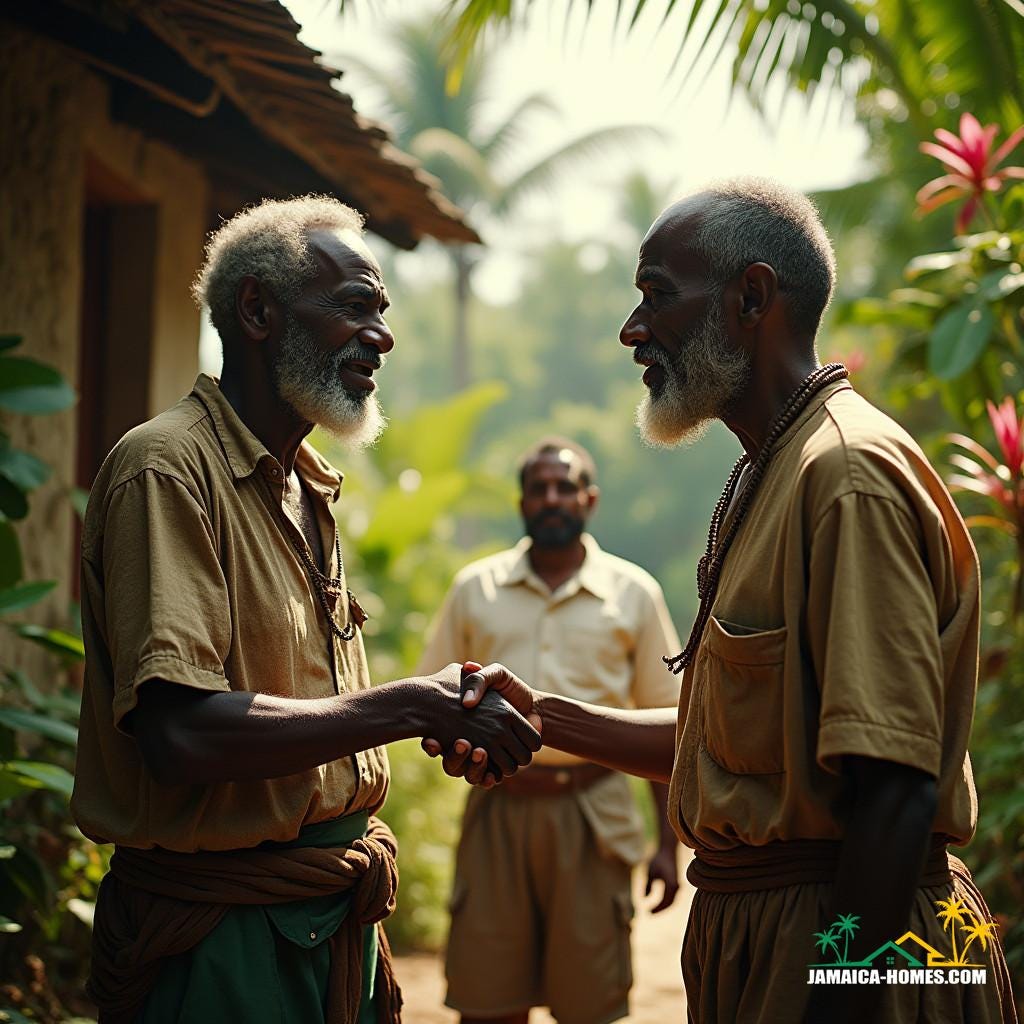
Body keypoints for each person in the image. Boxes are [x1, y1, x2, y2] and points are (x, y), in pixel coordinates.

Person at [425, 178, 1017, 1024]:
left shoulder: (845, 476)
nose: (634, 331)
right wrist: (543, 717)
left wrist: (836, 995)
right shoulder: (770, 471)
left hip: (850, 956)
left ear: (751, 297)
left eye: (657, 297)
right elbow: (742, 748)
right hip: (769, 946)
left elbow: (894, 792)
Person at [70, 195, 540, 1024]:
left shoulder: (304, 482)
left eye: (383, 313)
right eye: (355, 307)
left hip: (324, 925)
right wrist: (407, 704)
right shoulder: (167, 470)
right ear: (258, 311)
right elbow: (179, 734)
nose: (381, 338)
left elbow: (301, 708)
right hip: (221, 942)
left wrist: (435, 707)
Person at [418, 437, 682, 1024]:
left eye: (566, 487)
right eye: (538, 488)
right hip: (497, 810)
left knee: (589, 1006)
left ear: (590, 499)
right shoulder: (474, 588)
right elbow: (430, 699)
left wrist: (668, 846)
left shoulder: (634, 593)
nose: (552, 498)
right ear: (522, 502)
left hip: (596, 813)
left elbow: (665, 723)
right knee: (488, 1002)